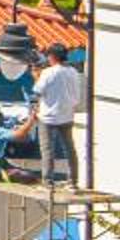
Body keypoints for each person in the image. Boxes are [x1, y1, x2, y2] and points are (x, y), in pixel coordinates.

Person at [26, 43, 85, 186]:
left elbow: (38, 91)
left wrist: (36, 76)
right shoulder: (73, 72)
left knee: (47, 150)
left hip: (48, 117)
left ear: (52, 56)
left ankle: (48, 181)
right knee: (69, 148)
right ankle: (73, 181)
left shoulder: (48, 72)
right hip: (67, 115)